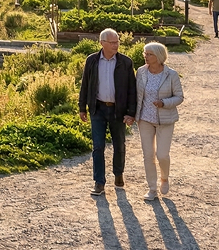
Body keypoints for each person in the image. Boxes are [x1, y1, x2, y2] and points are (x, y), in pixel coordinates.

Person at [79, 28, 137, 197]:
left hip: (118, 110)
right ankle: (99, 182)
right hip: (97, 108)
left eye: (117, 41)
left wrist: (131, 112)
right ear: (102, 43)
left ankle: (118, 174)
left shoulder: (126, 62)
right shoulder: (92, 60)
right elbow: (85, 85)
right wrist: (82, 107)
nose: (116, 45)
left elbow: (132, 89)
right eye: (112, 42)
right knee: (98, 146)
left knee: (119, 145)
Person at [134, 42, 184, 201]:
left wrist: (164, 103)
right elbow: (136, 95)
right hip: (145, 119)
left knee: (162, 154)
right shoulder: (141, 72)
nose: (145, 56)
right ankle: (152, 188)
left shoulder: (171, 74)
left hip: (165, 120)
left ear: (159, 56)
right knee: (148, 155)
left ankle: (164, 178)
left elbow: (179, 97)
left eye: (149, 54)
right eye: (145, 53)